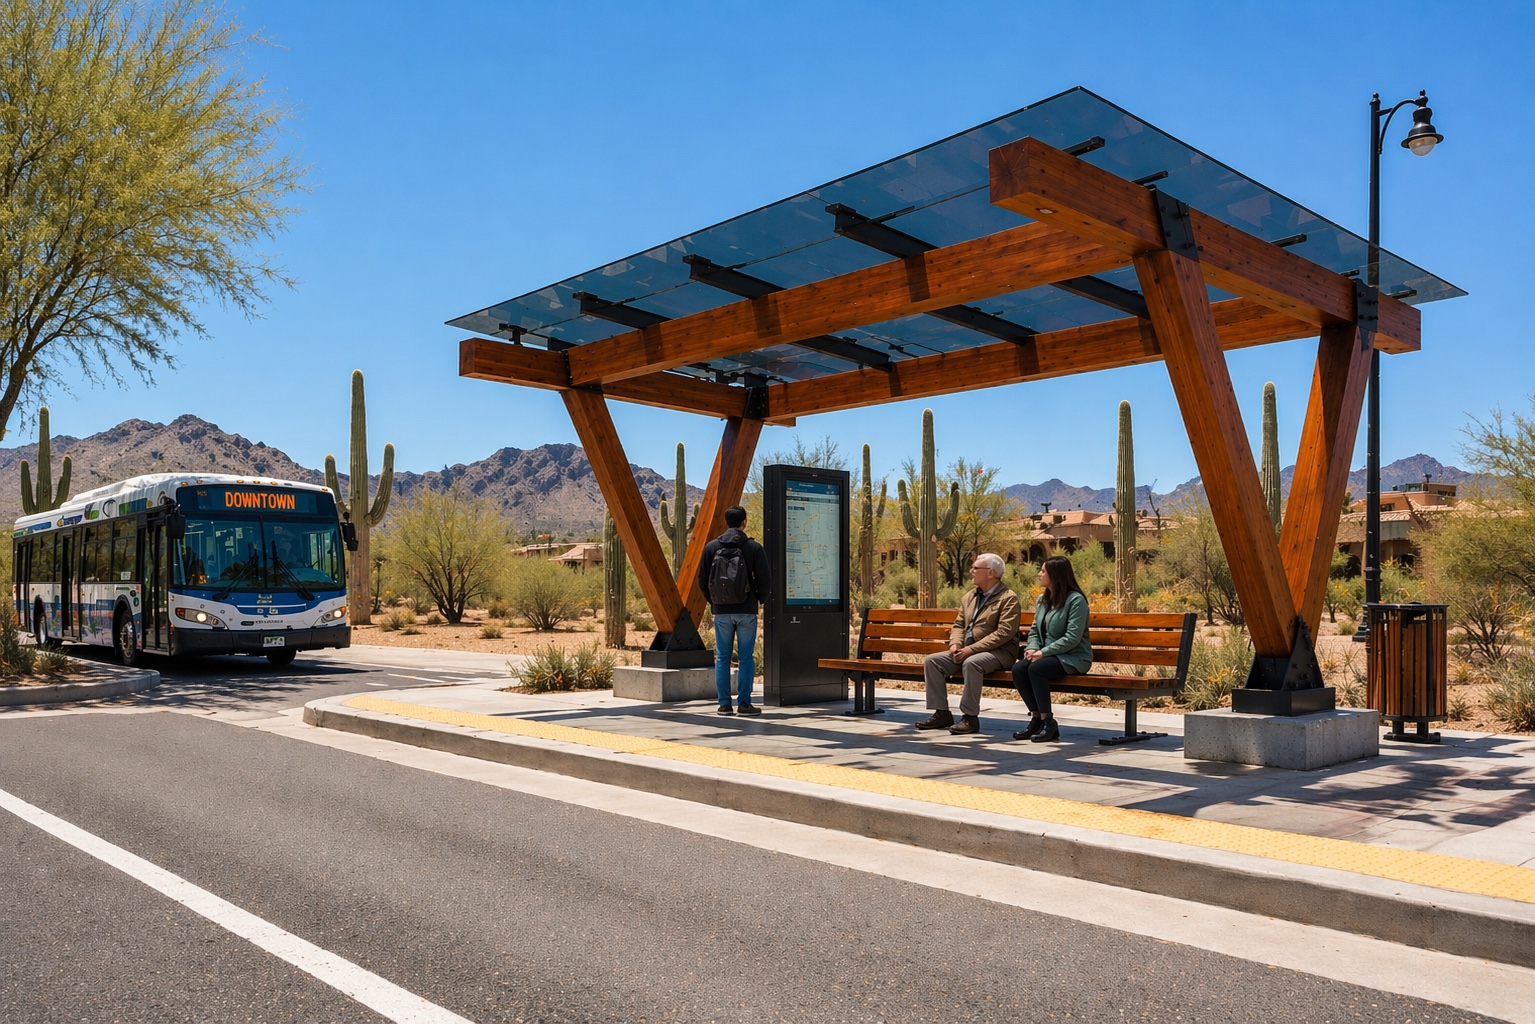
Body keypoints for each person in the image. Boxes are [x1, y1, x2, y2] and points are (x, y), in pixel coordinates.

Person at [916, 552, 1020, 735]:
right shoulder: (969, 597)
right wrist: (955, 644)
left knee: (972, 663)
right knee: (932, 661)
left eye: (975, 568)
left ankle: (970, 718)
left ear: (990, 573)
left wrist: (971, 649)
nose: (971, 571)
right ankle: (941, 713)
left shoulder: (1008, 598)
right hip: (967, 649)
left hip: (999, 652)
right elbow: (958, 625)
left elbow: (1004, 633)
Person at [696, 505, 772, 716]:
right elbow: (766, 579)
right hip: (747, 610)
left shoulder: (711, 547)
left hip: (721, 611)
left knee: (722, 657)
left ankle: (724, 704)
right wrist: (759, 600)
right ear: (744, 522)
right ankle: (745, 704)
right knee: (746, 657)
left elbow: (702, 579)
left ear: (726, 522)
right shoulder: (753, 548)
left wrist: (713, 601)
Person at [1012, 555, 1093, 743]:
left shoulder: (1076, 600)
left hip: (1072, 657)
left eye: (1043, 571)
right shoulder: (1042, 599)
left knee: (1036, 669)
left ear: (1055, 575)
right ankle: (1036, 719)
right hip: (1046, 655)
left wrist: (1043, 652)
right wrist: (1032, 648)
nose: (1039, 574)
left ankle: (1048, 722)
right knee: (1019, 669)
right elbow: (1034, 630)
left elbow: (1072, 638)